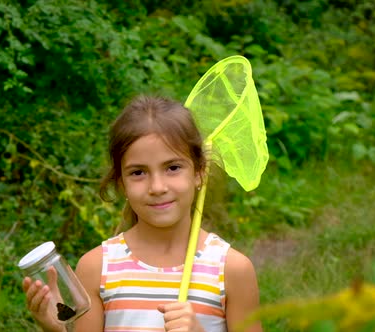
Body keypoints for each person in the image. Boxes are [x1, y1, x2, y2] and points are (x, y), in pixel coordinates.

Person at [23, 95, 262, 332]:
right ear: (121, 183)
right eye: (138, 172)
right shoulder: (97, 268)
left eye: (173, 167)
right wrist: (55, 330)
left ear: (199, 172)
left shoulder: (231, 270)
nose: (157, 187)